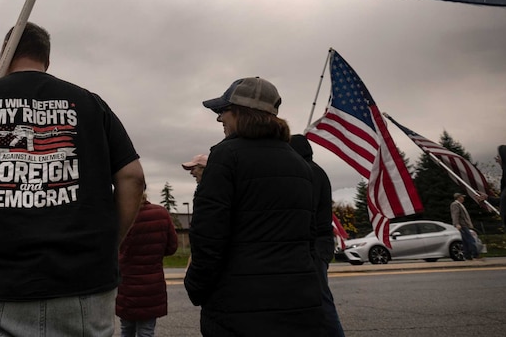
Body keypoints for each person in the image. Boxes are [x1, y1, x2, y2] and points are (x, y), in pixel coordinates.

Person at [0, 22, 145, 336]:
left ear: (4, 56)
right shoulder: (90, 104)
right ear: (46, 59)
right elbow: (133, 177)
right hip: (83, 286)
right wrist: (109, 245)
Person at [184, 77, 323, 337]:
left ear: (240, 111)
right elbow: (308, 236)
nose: (219, 119)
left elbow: (208, 235)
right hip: (299, 302)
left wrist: (196, 286)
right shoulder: (300, 164)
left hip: (239, 306)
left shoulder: (225, 157)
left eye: (222, 111)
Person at [290, 134, 346, 337]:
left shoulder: (309, 173)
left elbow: (306, 212)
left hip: (313, 247)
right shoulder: (316, 171)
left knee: (322, 302)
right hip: (318, 246)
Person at [116, 190, 178, 337]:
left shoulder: (120, 216)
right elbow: (172, 247)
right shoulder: (161, 213)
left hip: (126, 284)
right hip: (152, 283)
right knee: (146, 331)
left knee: (126, 329)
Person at [450, 193, 481, 260]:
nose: (463, 198)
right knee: (470, 239)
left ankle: (467, 255)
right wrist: (457, 224)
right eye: (462, 197)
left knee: (465, 241)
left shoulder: (460, 205)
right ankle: (475, 254)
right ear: (458, 197)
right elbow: (455, 215)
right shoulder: (455, 204)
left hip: (464, 225)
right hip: (462, 225)